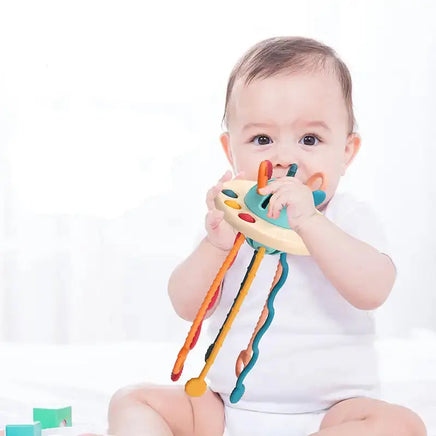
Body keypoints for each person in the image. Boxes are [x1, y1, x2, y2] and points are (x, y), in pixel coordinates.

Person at [107, 37, 427, 436]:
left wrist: (310, 221)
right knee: (132, 400)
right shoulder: (232, 221)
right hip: (224, 411)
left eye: (310, 140)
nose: (284, 158)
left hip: (333, 413)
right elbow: (186, 305)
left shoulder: (349, 216)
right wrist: (215, 245)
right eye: (262, 140)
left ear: (347, 151)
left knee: (401, 424)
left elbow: (374, 289)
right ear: (230, 151)